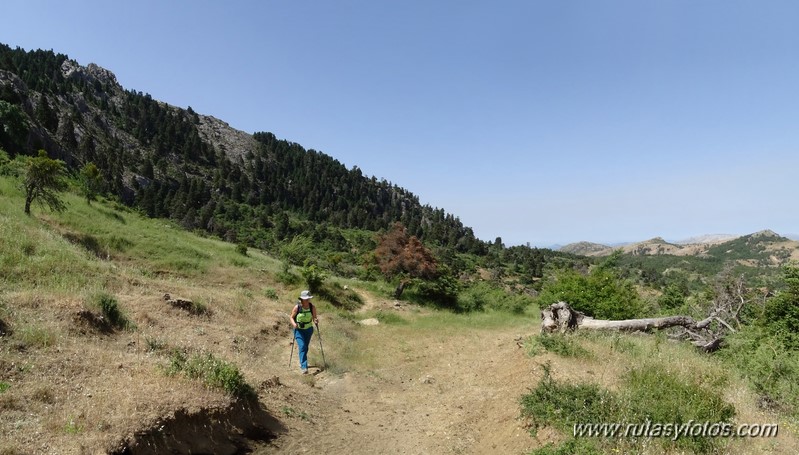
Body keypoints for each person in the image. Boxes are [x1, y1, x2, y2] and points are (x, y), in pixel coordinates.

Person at [290, 290, 319, 374]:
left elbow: (314, 317)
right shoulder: (297, 307)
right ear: (302, 299)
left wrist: (316, 320)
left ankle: (302, 362)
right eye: (305, 299)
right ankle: (304, 367)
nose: (307, 300)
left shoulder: (312, 307)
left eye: (308, 299)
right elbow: (291, 317)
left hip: (308, 330)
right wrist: (294, 324)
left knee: (305, 347)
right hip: (298, 330)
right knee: (302, 346)